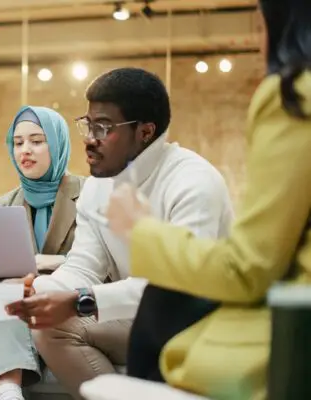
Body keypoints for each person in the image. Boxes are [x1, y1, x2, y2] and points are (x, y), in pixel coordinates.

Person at [104, 1, 311, 398]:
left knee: (160, 312)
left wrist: (141, 231)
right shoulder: (98, 187)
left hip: (294, 336)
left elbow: (246, 268)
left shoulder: (291, 94)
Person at [4, 67, 235, 400]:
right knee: (48, 327)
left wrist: (80, 301)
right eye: (87, 124)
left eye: (104, 127)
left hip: (200, 323)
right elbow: (84, 266)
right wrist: (39, 290)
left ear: (145, 132)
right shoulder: (99, 186)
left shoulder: (194, 182)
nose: (89, 138)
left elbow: (178, 289)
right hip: (141, 319)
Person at [0, 105, 85, 400]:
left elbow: (105, 266)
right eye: (18, 142)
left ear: (57, 143)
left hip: (70, 304)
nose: (26, 150)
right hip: (18, 309)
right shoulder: (2, 205)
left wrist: (47, 264)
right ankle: (9, 392)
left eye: (37, 141)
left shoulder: (90, 195)